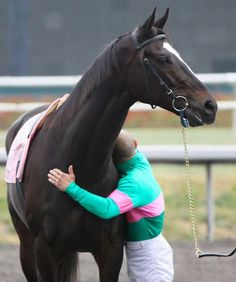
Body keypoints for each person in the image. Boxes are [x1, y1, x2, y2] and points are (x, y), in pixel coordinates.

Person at [48, 130, 174, 282]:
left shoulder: (134, 183)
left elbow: (107, 209)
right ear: (135, 144)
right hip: (149, 250)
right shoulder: (139, 160)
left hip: (150, 258)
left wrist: (71, 188)